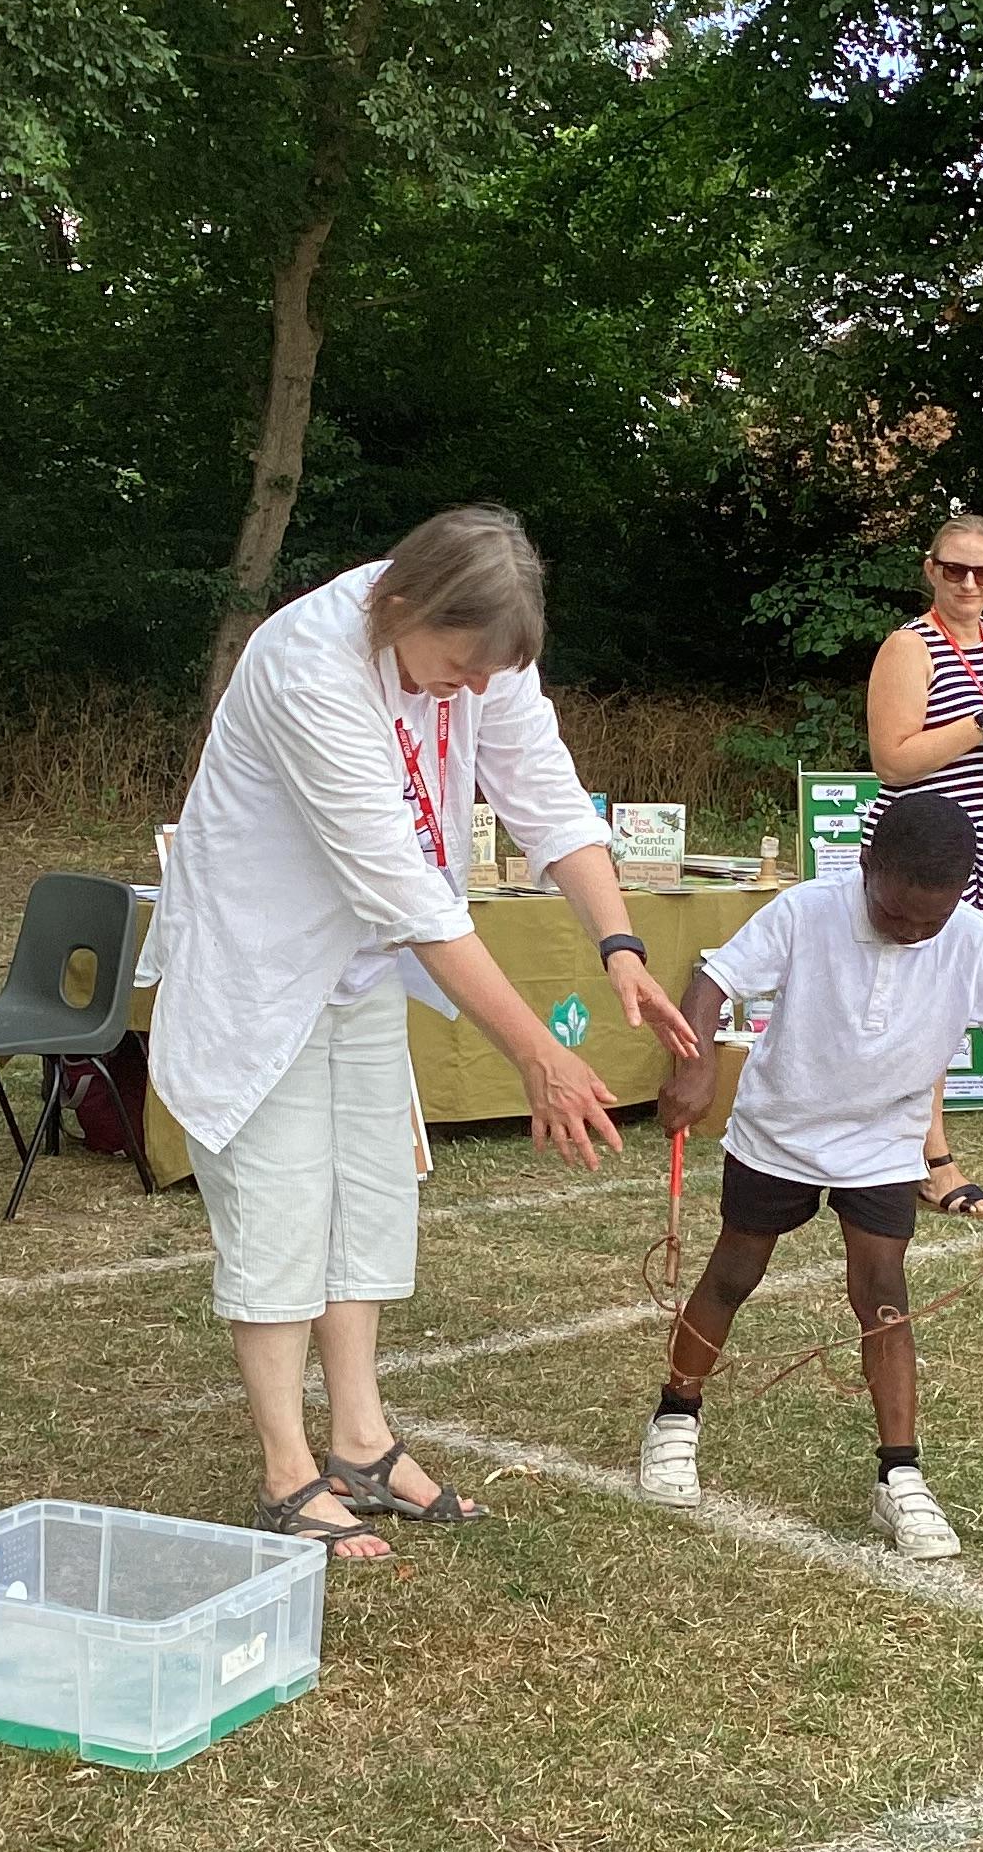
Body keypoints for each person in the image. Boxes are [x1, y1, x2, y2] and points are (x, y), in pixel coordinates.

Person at [152, 505, 698, 1566]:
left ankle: (360, 1444)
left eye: (490, 674)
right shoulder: (310, 667)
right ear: (400, 606)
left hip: (360, 965)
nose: (470, 690)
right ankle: (286, 1470)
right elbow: (409, 895)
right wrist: (539, 1056)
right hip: (261, 964)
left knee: (368, 1195)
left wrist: (621, 944)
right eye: (458, 669)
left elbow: (548, 799)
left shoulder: (477, 649)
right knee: (280, 1211)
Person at [642, 796, 983, 1555]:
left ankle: (900, 1476)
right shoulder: (807, 911)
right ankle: (675, 1417)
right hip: (780, 1130)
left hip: (885, 1143)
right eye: (896, 914)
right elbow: (711, 981)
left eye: (931, 920)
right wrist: (695, 1068)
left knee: (884, 1296)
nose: (913, 932)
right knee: (733, 1273)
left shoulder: (971, 939)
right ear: (867, 868)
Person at [866, 511, 983, 1217]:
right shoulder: (908, 646)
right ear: (930, 570)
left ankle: (908, 1145)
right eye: (954, 568)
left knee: (943, 1004)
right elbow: (892, 762)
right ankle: (933, 1161)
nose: (969, 582)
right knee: (918, 1002)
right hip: (919, 854)